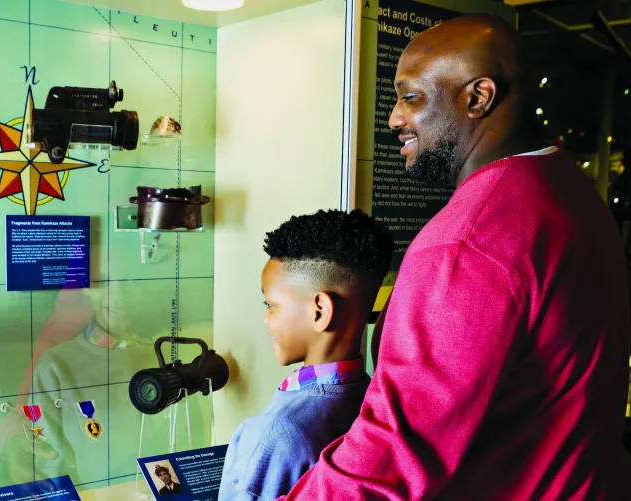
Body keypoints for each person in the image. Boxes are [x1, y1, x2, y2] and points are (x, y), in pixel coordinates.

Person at [277, 14, 631, 501]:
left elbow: (392, 453)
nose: (395, 118)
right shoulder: (567, 189)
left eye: (411, 97)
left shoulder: (467, 242)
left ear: (479, 97)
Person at [219, 209, 395, 500]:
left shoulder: (276, 436)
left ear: (320, 311)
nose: (265, 318)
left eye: (271, 304)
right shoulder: (370, 400)